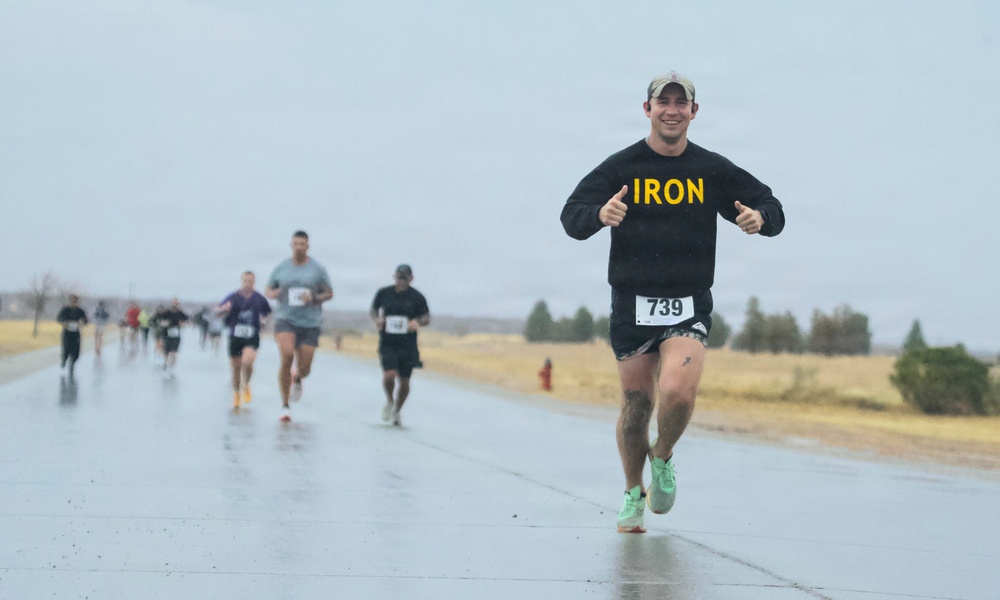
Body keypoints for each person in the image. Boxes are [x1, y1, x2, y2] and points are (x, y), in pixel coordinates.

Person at [560, 71, 786, 533]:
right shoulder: (621, 168)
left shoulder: (712, 170)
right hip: (631, 303)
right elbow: (571, 216)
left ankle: (662, 456)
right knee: (637, 406)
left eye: (681, 103)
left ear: (694, 113)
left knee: (678, 391)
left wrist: (759, 218)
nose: (672, 110)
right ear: (647, 109)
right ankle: (630, 491)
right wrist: (600, 215)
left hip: (688, 301)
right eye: (663, 102)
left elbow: (772, 205)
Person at [265, 231, 333, 422]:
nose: (298, 247)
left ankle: (298, 376)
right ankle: (285, 406)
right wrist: (272, 293)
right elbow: (268, 288)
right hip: (286, 318)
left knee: (306, 368)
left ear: (307, 246)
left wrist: (313, 298)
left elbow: (329, 293)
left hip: (310, 322)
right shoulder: (282, 268)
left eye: (302, 244)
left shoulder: (317, 269)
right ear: (291, 245)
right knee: (286, 356)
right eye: (295, 244)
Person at [369, 264, 430, 426]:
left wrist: (416, 322)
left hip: (408, 344)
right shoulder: (384, 293)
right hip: (388, 342)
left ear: (411, 278)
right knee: (389, 375)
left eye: (404, 278)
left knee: (404, 381)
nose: (401, 281)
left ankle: (397, 410)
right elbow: (374, 309)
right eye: (398, 277)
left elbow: (426, 317)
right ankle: (389, 400)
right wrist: (377, 319)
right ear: (394, 277)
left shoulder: (417, 297)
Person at [217, 271, 273, 409]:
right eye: (245, 281)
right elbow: (218, 311)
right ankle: (236, 394)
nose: (248, 283)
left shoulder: (259, 298)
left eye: (251, 281)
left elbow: (268, 313)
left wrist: (264, 321)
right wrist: (224, 309)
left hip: (252, 334)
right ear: (241, 281)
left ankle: (246, 384)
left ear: (254, 282)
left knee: (247, 362)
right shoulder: (233, 297)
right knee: (235, 368)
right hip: (235, 335)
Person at [56, 294, 88, 377]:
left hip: (76, 332)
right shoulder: (65, 309)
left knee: (76, 351)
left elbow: (86, 320)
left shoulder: (80, 311)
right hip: (67, 332)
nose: (74, 303)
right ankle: (64, 360)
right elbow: (58, 318)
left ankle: (72, 364)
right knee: (66, 348)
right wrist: (64, 322)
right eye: (72, 301)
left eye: (75, 301)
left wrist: (81, 323)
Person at [158, 298, 189, 377]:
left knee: (174, 352)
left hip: (176, 334)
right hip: (167, 334)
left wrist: (183, 324)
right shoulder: (166, 313)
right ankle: (166, 362)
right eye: (174, 303)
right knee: (166, 351)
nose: (175, 304)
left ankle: (172, 367)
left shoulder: (180, 313)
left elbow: (186, 320)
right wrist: (164, 323)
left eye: (177, 303)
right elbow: (160, 321)